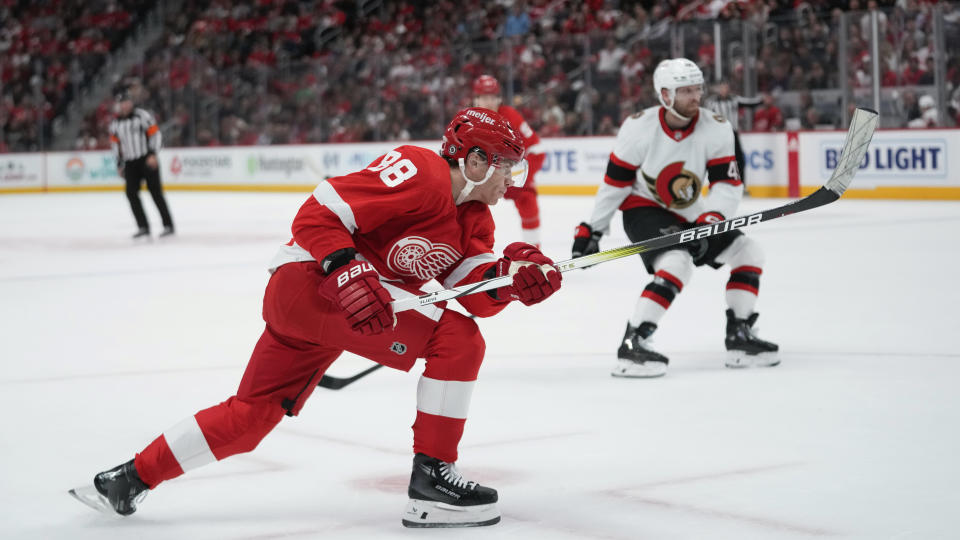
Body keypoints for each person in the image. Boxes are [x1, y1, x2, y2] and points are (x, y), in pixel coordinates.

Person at [69, 108, 563, 528]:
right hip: (312, 285)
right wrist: (346, 272)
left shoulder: (475, 217)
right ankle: (432, 477)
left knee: (249, 418)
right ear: (475, 160)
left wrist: (514, 278)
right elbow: (317, 214)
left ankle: (130, 478)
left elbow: (474, 291)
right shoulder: (420, 170)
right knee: (458, 340)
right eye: (506, 168)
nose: (511, 182)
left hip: (328, 308)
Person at [571, 58, 778, 378]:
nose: (695, 97)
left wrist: (712, 219)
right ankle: (634, 341)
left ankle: (739, 335)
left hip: (693, 212)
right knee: (676, 262)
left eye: (697, 89)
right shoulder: (638, 127)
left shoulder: (717, 127)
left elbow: (727, 184)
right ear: (665, 95)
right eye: (685, 91)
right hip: (644, 208)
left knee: (748, 252)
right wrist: (592, 230)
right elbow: (615, 185)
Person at [473, 74, 546, 247]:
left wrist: (520, 179)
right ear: (476, 99)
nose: (489, 102)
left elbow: (537, 150)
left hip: (508, 171)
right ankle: (469, 253)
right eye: (484, 97)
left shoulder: (510, 116)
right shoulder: (468, 119)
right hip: (479, 176)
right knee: (467, 209)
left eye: (493, 97)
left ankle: (533, 251)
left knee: (527, 198)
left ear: (499, 98)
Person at [109, 87, 175, 239]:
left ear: (131, 103)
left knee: (156, 193)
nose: (125, 105)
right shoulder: (115, 123)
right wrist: (119, 164)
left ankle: (168, 225)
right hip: (130, 163)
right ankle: (143, 226)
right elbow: (115, 145)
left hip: (146, 158)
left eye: (127, 102)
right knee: (131, 193)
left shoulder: (142, 116)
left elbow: (156, 135)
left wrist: (153, 154)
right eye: (122, 103)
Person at [702, 80, 761, 185]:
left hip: (732, 133)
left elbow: (750, 103)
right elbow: (705, 117)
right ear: (718, 89)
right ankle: (716, 183)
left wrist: (762, 100)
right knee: (716, 160)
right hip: (718, 135)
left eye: (726, 87)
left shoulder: (734, 99)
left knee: (739, 159)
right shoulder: (711, 102)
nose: (724, 90)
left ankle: (741, 184)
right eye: (722, 87)